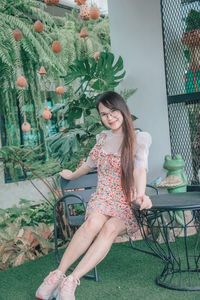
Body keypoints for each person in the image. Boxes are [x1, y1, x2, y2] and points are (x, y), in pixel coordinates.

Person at [36, 91, 152, 300]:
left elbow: (140, 169)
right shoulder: (103, 138)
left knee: (109, 229)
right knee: (92, 224)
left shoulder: (139, 138)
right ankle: (57, 275)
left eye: (113, 111)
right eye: (104, 114)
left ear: (123, 109)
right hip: (103, 197)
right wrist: (72, 174)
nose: (110, 117)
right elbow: (89, 164)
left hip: (126, 201)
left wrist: (141, 194)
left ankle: (71, 282)